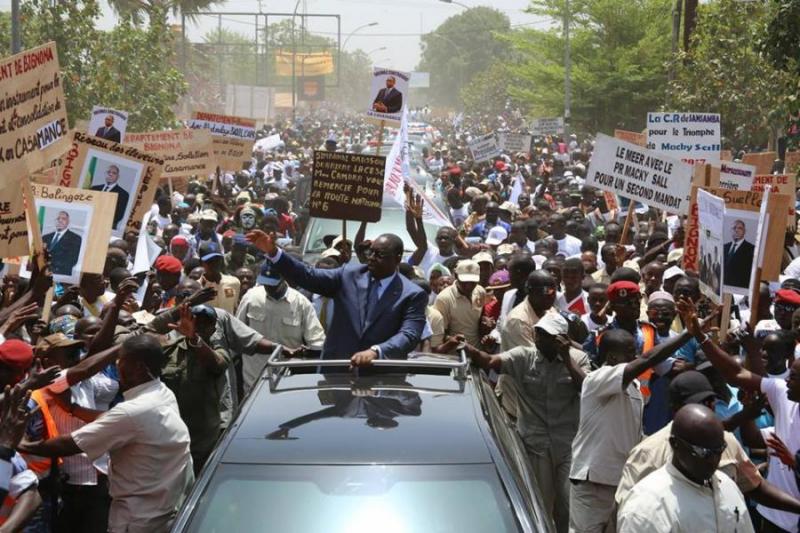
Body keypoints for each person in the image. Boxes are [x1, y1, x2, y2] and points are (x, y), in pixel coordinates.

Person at [18, 335, 194, 533]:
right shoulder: (162, 393)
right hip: (157, 506)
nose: (117, 366)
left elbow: (71, 444)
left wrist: (21, 444)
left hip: (137, 517)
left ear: (138, 367)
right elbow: (116, 419)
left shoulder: (132, 410)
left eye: (122, 360)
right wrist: (74, 409)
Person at [568, 302, 697, 533]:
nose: (636, 356)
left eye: (635, 351)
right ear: (612, 357)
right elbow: (648, 360)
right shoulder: (598, 379)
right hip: (594, 483)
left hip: (621, 482)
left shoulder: (635, 387)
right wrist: (689, 333)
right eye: (630, 353)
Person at [680, 298, 800, 532]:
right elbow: (735, 372)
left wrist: (794, 463)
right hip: (774, 517)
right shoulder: (781, 393)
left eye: (793, 377)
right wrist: (700, 336)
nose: (786, 381)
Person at [616, 370, 800, 519]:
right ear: (676, 408)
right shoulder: (648, 452)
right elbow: (628, 511)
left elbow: (755, 487)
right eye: (700, 403)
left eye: (711, 400)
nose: (709, 407)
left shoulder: (726, 440)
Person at [465, 313, 589, 533]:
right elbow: (491, 362)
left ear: (561, 338)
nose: (539, 339)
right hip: (535, 444)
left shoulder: (578, 358)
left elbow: (586, 388)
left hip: (568, 445)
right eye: (538, 334)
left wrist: (566, 357)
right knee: (537, 505)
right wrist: (470, 349)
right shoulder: (524, 356)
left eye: (546, 336)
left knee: (568, 505)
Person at [247, 230, 427, 366]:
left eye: (379, 255)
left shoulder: (412, 294)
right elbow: (307, 275)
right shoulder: (348, 275)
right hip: (336, 374)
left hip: (381, 380)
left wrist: (377, 351)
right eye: (371, 252)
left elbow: (409, 335)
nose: (371, 258)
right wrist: (273, 252)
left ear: (397, 258)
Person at [617, 404, 754, 533]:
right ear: (675, 444)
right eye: (703, 452)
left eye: (719, 450)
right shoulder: (647, 507)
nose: (713, 460)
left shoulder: (728, 487)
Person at [236, 263, 325, 391]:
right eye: (265, 283)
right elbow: (239, 332)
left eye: (272, 284)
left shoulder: (300, 302)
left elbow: (317, 340)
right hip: (254, 379)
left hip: (288, 380)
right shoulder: (251, 298)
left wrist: (309, 353)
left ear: (283, 279)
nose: (268, 287)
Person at [42, 211, 82, 276]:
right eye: (58, 219)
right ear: (55, 221)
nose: (60, 220)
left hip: (61, 275)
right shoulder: (45, 237)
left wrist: (51, 269)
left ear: (68, 222)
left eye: (63, 219)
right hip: (42, 274)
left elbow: (72, 260)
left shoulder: (75, 238)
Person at [91, 164, 130, 230]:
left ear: (118, 176)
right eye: (108, 172)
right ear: (105, 174)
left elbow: (119, 215)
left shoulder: (123, 194)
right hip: (90, 222)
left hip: (107, 227)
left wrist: (101, 220)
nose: (110, 174)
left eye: (114, 173)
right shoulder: (93, 189)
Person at [723, 219, 755, 289]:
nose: (736, 230)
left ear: (744, 231)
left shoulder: (752, 249)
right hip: (723, 287)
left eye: (740, 228)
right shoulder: (724, 247)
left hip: (740, 289)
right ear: (731, 231)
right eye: (734, 228)